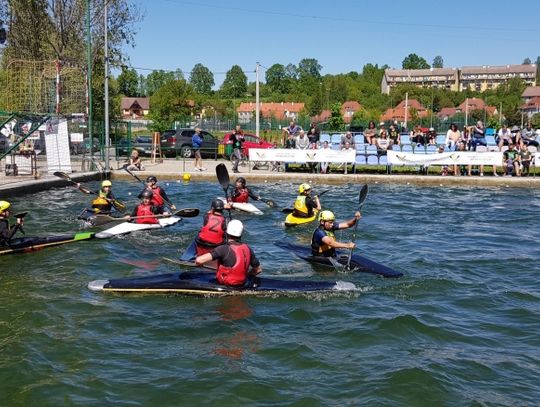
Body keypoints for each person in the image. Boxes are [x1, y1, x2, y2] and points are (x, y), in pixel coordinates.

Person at [195, 219, 262, 287]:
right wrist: (245, 276)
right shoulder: (248, 248)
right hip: (242, 284)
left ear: (226, 233)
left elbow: (199, 260)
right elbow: (258, 270)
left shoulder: (223, 249)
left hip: (225, 284)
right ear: (241, 234)